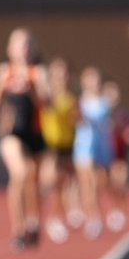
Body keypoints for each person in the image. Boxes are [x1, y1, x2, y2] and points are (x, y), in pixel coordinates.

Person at [0, 27, 50, 252]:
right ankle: (18, 229)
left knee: (35, 181)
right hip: (11, 132)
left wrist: (31, 88)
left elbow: (47, 102)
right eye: (20, 44)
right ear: (10, 49)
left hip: (35, 132)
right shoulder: (3, 72)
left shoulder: (39, 73)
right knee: (20, 173)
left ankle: (33, 222)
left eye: (29, 44)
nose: (25, 49)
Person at [38, 57, 78, 244]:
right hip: (49, 144)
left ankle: (59, 215)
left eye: (63, 72)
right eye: (57, 72)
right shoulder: (46, 94)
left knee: (64, 183)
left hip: (67, 144)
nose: (61, 76)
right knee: (52, 182)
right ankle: (49, 218)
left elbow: (77, 118)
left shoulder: (71, 96)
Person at [72, 66, 114, 240]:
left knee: (101, 182)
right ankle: (92, 216)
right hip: (84, 145)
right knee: (87, 182)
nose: (93, 83)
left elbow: (108, 122)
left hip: (101, 146)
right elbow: (75, 121)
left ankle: (105, 209)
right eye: (89, 79)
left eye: (95, 79)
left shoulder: (105, 101)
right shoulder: (79, 102)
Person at [103, 79, 129, 232]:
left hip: (121, 154)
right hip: (106, 155)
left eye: (114, 92)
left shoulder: (124, 113)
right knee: (109, 184)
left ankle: (120, 210)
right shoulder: (101, 113)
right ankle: (113, 207)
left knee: (120, 182)